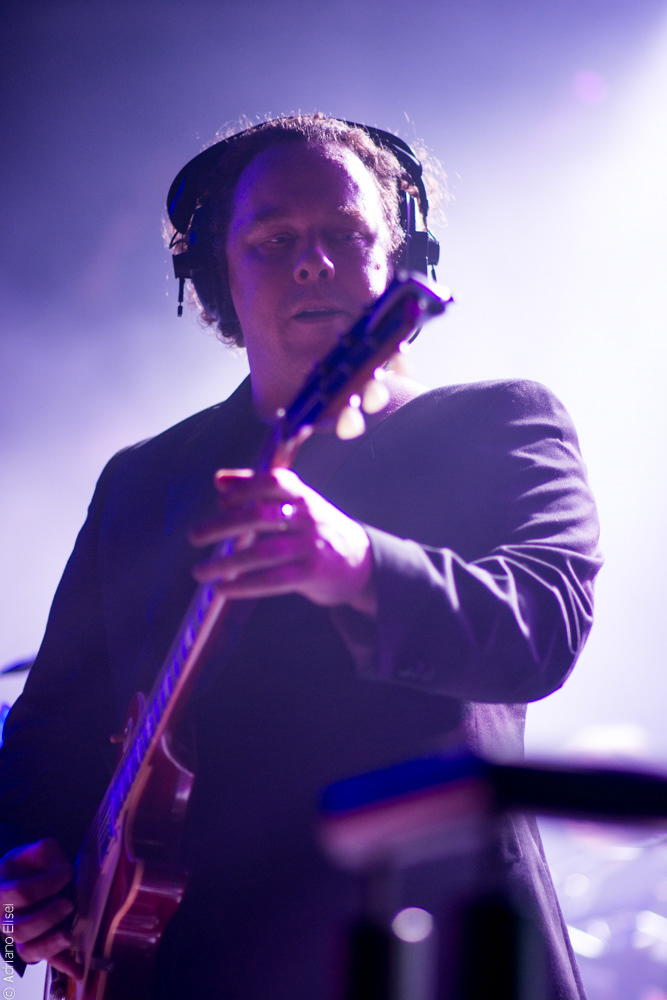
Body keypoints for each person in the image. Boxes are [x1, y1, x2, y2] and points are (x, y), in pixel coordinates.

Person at [0, 113, 601, 999]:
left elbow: (537, 633)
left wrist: (353, 562)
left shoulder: (497, 421)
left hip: (426, 954)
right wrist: (23, 867)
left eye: (345, 234)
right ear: (219, 280)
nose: (313, 261)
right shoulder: (142, 480)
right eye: (274, 241)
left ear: (398, 259)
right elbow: (51, 722)